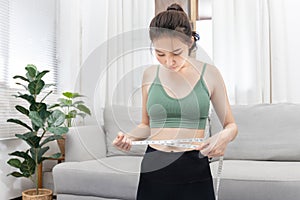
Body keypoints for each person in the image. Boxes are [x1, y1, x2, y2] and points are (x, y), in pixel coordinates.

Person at [113, 3, 238, 200]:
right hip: (154, 166)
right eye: (160, 54)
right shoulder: (149, 75)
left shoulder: (210, 74)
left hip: (193, 167)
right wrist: (128, 137)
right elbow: (146, 126)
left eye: (176, 53)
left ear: (190, 42)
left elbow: (231, 126)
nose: (169, 62)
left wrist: (223, 137)